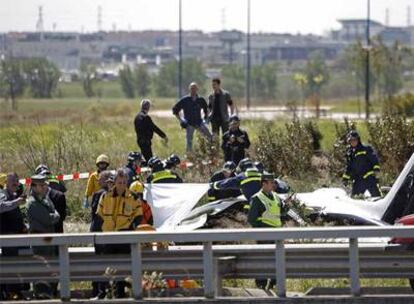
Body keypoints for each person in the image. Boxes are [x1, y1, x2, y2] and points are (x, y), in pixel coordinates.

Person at [96, 169, 143, 298]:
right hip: (108, 235)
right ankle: (101, 294)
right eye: (119, 182)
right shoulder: (106, 196)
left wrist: (131, 228)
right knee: (105, 266)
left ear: (127, 182)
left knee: (121, 268)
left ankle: (120, 294)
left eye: (124, 182)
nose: (122, 184)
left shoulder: (133, 197)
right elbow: (99, 215)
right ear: (115, 182)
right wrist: (103, 228)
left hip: (124, 236)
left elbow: (138, 215)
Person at [26, 175, 60, 299]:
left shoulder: (44, 199)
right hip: (39, 242)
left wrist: (54, 215)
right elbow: (49, 219)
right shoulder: (33, 203)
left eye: (45, 184)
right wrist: (54, 215)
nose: (45, 187)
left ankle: (48, 295)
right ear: (34, 187)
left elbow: (55, 213)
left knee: (50, 271)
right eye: (41, 185)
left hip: (48, 241)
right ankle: (40, 296)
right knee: (40, 272)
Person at [247, 172, 282, 290]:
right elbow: (251, 219)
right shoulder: (257, 198)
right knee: (263, 259)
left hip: (277, 234)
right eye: (271, 183)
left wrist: (285, 207)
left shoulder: (276, 196)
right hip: (264, 235)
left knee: (276, 259)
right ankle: (261, 285)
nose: (273, 185)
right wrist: (264, 228)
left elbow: (279, 213)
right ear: (263, 183)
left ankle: (274, 283)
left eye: (274, 182)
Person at [0, 173, 29, 300]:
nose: (16, 184)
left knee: (18, 265)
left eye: (17, 181)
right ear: (6, 182)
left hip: (17, 237)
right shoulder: (2, 194)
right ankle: (12, 293)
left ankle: (16, 292)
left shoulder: (14, 195)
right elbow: (1, 207)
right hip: (8, 238)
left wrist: (23, 226)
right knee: (12, 265)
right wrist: (16, 202)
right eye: (13, 181)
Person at [89, 170, 113, 300]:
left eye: (100, 179)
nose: (98, 180)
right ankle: (104, 290)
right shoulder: (107, 194)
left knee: (99, 262)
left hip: (99, 232)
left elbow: (94, 213)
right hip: (105, 232)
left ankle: (99, 291)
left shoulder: (99, 194)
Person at [172, 82, 212, 152]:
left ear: (197, 89)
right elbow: (175, 109)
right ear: (189, 89)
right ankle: (189, 157)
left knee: (209, 137)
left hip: (199, 122)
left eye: (195, 88)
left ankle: (209, 152)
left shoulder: (200, 100)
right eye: (192, 88)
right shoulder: (185, 100)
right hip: (189, 124)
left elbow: (206, 109)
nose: (193, 90)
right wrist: (181, 120)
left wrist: (206, 118)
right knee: (189, 142)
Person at [342, 130, 382, 197]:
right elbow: (349, 167)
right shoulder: (350, 153)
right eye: (351, 140)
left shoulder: (366, 149)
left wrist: (376, 169)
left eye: (354, 140)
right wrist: (345, 178)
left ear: (358, 140)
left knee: (377, 197)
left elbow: (374, 159)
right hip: (358, 180)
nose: (353, 142)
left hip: (369, 178)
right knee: (354, 198)